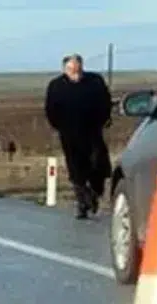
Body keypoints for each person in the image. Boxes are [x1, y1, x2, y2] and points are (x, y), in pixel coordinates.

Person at [44, 53, 113, 219]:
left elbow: (106, 101)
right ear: (65, 69)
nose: (75, 72)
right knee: (76, 170)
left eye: (78, 68)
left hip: (93, 131)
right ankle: (82, 203)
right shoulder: (56, 86)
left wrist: (104, 119)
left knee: (98, 165)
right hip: (69, 134)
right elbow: (50, 109)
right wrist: (58, 126)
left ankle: (95, 193)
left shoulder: (95, 81)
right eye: (71, 69)